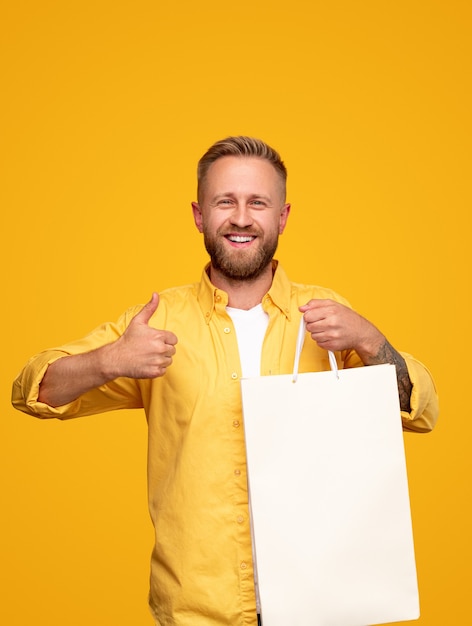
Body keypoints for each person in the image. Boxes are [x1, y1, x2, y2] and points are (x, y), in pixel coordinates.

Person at [12, 136, 439, 626]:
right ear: (198, 215)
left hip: (323, 604)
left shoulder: (324, 315)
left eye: (257, 202)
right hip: (197, 610)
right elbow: (35, 391)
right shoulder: (158, 323)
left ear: (282, 217)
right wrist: (109, 360)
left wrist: (371, 340)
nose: (241, 217)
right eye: (225, 201)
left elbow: (420, 411)